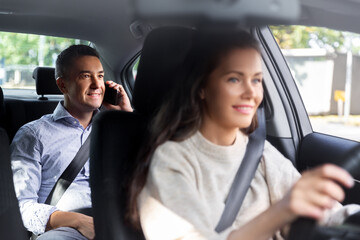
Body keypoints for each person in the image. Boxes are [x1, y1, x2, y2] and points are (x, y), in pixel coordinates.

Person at [127, 30, 360, 240]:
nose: (251, 92)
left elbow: (329, 214)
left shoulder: (261, 152)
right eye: (234, 79)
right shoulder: (171, 161)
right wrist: (281, 212)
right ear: (201, 87)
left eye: (257, 80)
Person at [11, 44, 132, 240]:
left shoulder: (117, 130)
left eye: (100, 76)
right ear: (62, 85)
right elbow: (21, 206)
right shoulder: (33, 134)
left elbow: (152, 173)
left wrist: (127, 118)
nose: (96, 85)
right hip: (66, 231)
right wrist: (79, 221)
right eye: (85, 76)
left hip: (120, 222)